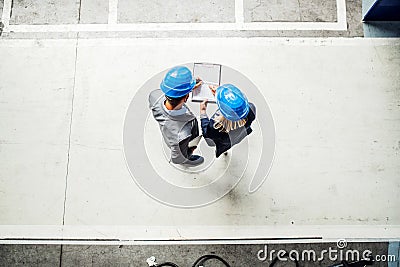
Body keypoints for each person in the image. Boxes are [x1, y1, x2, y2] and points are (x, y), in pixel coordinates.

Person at [148, 66, 204, 166]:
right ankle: (187, 161)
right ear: (186, 97)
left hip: (169, 135)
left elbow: (172, 90)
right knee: (184, 153)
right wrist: (190, 150)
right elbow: (177, 159)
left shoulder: (154, 97)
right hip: (181, 144)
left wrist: (189, 86)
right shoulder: (182, 134)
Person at [199, 84, 256, 157]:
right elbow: (236, 106)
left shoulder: (215, 126)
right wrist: (222, 93)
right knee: (228, 146)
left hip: (222, 143)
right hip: (238, 137)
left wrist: (203, 112)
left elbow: (208, 137)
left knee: (221, 147)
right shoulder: (251, 109)